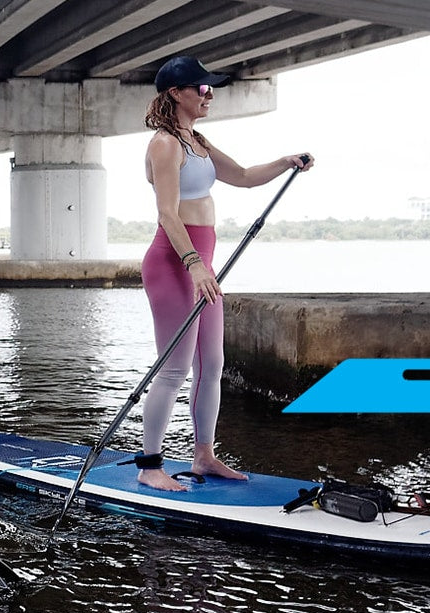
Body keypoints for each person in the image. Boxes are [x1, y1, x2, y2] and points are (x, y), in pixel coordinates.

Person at [138, 56, 312, 492]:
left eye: (210, 87)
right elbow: (167, 213)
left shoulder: (197, 140)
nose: (209, 93)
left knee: (212, 364)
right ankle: (150, 465)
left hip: (202, 266)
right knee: (174, 369)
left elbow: (246, 177)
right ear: (177, 93)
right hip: (175, 264)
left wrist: (285, 161)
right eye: (201, 87)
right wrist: (194, 264)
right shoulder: (165, 144)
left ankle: (204, 456)